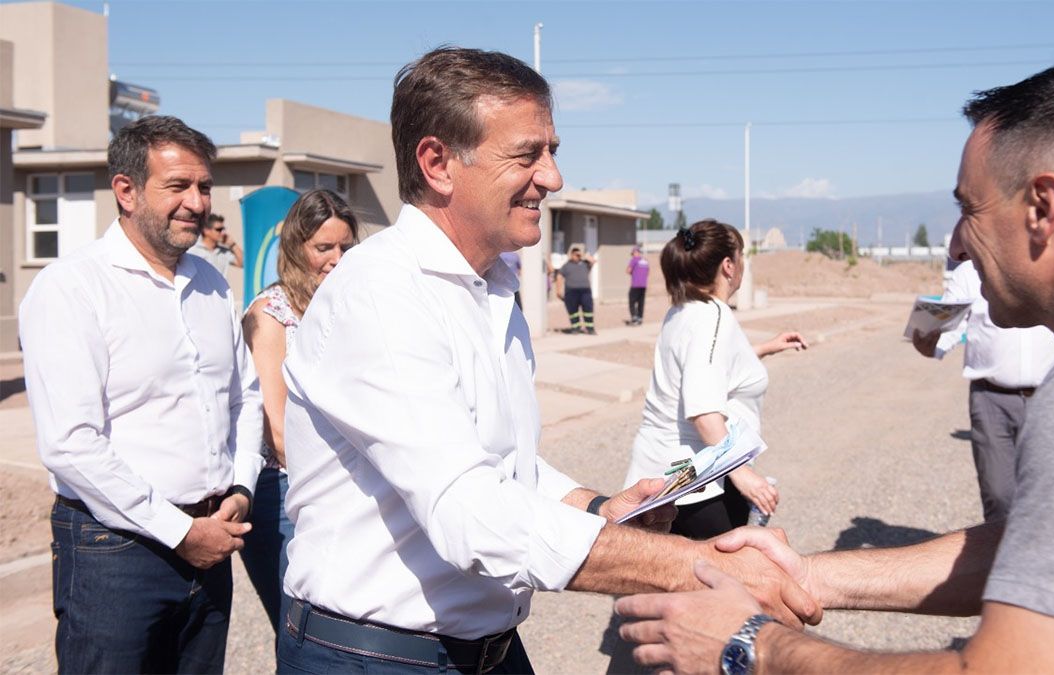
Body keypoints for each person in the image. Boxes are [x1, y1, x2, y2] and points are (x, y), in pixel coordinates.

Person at [617, 59, 1054, 674]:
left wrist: (751, 646)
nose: (956, 242)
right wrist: (807, 575)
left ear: (1042, 207)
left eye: (968, 208)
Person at [277, 47, 817, 674]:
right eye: (528, 153)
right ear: (438, 162)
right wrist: (702, 568)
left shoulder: (491, 288)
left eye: (552, 150)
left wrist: (594, 507)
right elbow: (472, 513)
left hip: (485, 648)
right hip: (377, 656)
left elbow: (498, 458)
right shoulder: (380, 294)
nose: (553, 177)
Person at [19, 115, 263, 673]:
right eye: (178, 186)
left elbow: (243, 398)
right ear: (125, 191)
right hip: (116, 550)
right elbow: (72, 444)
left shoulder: (209, 283)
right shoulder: (72, 288)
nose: (197, 203)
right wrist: (180, 532)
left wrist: (242, 487)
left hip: (212, 537)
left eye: (204, 187)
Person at [624, 220, 806, 540]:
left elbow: (706, 368)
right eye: (742, 256)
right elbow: (704, 412)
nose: (743, 265)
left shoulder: (684, 309)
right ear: (728, 266)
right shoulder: (714, 317)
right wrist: (744, 475)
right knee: (722, 579)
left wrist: (764, 348)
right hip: (694, 478)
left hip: (666, 468)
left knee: (681, 577)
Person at [239, 188, 358, 646]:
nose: (337, 258)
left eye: (345, 246)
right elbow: (277, 424)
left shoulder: (345, 307)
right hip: (286, 491)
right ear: (295, 248)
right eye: (323, 248)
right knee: (301, 634)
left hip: (341, 481)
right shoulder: (270, 315)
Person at [911, 258, 1054, 521]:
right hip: (991, 402)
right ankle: (998, 560)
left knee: (1051, 497)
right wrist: (924, 339)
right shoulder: (969, 273)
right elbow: (940, 335)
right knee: (999, 497)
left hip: (1053, 399)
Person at [557, 244, 596, 333]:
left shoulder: (585, 264)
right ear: (571, 254)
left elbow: (593, 261)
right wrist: (558, 290)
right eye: (575, 254)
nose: (577, 256)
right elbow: (559, 276)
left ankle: (590, 329)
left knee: (588, 309)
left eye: (578, 254)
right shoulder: (566, 265)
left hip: (585, 291)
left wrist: (583, 256)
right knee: (573, 310)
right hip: (571, 291)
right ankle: (575, 328)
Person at [625, 244, 650, 325]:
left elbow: (628, 270)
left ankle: (634, 318)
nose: (632, 255)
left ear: (636, 252)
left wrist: (633, 273)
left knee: (632, 301)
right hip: (643, 285)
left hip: (635, 285)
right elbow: (648, 273)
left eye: (633, 253)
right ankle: (640, 318)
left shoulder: (634, 260)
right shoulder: (645, 261)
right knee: (641, 302)